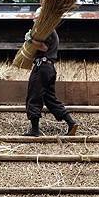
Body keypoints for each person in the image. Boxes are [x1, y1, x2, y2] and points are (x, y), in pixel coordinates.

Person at [23, 8, 78, 136]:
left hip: (42, 67)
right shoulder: (49, 30)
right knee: (49, 99)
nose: (33, 19)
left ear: (43, 17)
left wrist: (30, 40)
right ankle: (71, 123)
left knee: (33, 96)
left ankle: (35, 130)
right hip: (49, 68)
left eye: (36, 17)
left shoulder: (47, 30)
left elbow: (43, 47)